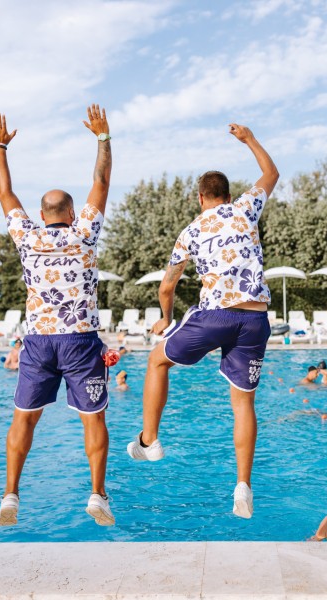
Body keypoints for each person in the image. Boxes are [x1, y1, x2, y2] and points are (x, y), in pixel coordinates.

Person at [128, 122, 279, 520]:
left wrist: (166, 318)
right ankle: (243, 486)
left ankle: (149, 440)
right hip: (255, 319)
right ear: (229, 195)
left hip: (214, 315)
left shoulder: (191, 231)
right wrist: (248, 139)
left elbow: (167, 286)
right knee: (243, 403)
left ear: (200, 198)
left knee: (157, 361)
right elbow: (271, 172)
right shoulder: (246, 208)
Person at [0, 106, 114, 527]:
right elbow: (101, 182)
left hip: (39, 341)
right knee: (93, 419)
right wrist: (102, 138)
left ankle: (10, 494)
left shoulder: (27, 236)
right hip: (80, 339)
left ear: (42, 215)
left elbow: (5, 193)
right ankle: (97, 495)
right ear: (73, 213)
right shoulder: (85, 233)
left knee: (23, 419)